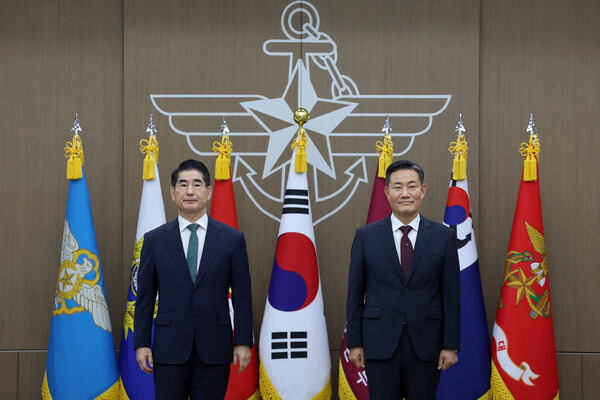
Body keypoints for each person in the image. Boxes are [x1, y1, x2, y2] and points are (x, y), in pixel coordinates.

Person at [134, 159, 253, 399]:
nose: (190, 191)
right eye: (183, 185)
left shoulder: (232, 239)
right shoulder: (154, 240)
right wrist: (142, 343)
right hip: (169, 348)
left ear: (208, 192)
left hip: (215, 347)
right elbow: (145, 297)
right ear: (172, 193)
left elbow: (242, 297)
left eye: (197, 185)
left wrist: (242, 342)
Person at [346, 160, 460, 399]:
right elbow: (355, 294)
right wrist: (354, 343)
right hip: (379, 344)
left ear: (423, 190)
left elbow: (451, 296)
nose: (405, 193)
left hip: (426, 345)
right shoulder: (366, 236)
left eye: (412, 186)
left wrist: (450, 345)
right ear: (387, 192)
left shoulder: (443, 237)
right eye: (397, 187)